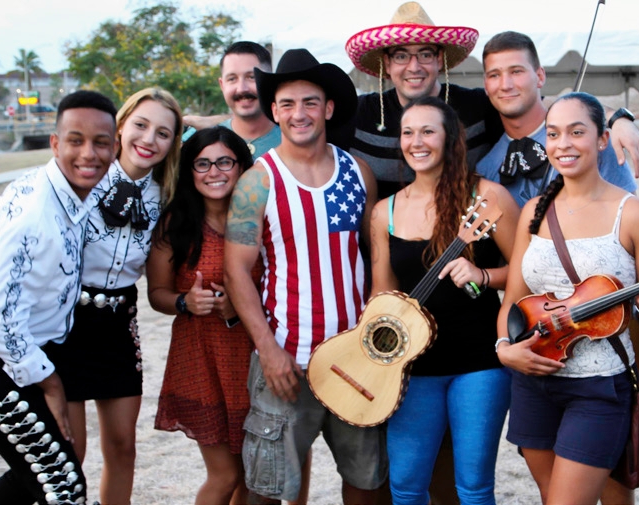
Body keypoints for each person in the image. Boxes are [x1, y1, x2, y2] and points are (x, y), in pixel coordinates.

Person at [495, 92, 639, 505]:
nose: (564, 144)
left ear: (601, 140)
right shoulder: (534, 212)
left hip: (598, 387)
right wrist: (505, 350)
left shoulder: (634, 214)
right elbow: (514, 301)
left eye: (577, 132)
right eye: (554, 134)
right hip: (533, 380)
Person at [0, 90, 117, 505]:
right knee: (62, 487)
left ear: (115, 146)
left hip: (5, 361)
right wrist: (50, 381)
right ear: (55, 143)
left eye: (101, 142)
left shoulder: (64, 193)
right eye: (75, 140)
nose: (89, 153)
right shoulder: (36, 215)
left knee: (33, 479)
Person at [223, 49, 385, 504]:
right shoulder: (259, 181)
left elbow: (376, 261)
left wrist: (380, 346)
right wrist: (268, 350)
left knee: (368, 484)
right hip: (286, 362)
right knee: (268, 491)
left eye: (310, 102)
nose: (299, 114)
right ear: (274, 111)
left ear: (328, 108)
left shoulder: (359, 173)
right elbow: (236, 271)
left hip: (356, 360)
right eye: (288, 104)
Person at [369, 96, 520, 504]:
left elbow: (528, 273)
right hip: (413, 369)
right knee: (406, 485)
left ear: (450, 138)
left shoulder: (488, 197)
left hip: (479, 364)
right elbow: (382, 294)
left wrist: (484, 275)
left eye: (428, 131)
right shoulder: (386, 212)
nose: (416, 141)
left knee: (472, 488)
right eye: (407, 132)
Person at [344, 1, 639, 200]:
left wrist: (613, 118)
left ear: (440, 59)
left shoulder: (477, 106)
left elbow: (541, 104)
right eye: (401, 55)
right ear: (386, 62)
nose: (414, 66)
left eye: (425, 54)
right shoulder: (359, 112)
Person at [41, 87, 181, 505]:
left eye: (163, 132)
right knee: (70, 453)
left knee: (122, 447)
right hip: (65, 324)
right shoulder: (82, 176)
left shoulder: (167, 197)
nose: (149, 139)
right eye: (140, 125)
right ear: (119, 128)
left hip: (119, 325)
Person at [148, 127, 255, 505]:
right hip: (202, 359)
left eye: (225, 161)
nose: (215, 172)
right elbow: (156, 294)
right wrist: (184, 303)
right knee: (225, 475)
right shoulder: (177, 223)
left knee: (254, 476)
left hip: (253, 358)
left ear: (242, 166)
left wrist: (241, 305)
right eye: (203, 163)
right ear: (190, 171)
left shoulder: (262, 218)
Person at [477, 31, 637, 206]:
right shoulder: (486, 168)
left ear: (540, 77)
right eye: (494, 75)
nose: (505, 85)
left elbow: (628, 215)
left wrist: (620, 119)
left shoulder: (587, 142)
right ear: (486, 85)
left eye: (516, 71)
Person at [183, 41, 281, 157]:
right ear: (222, 85)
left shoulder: (294, 139)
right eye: (232, 79)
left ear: (270, 81)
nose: (241, 89)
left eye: (251, 77)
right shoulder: (204, 143)